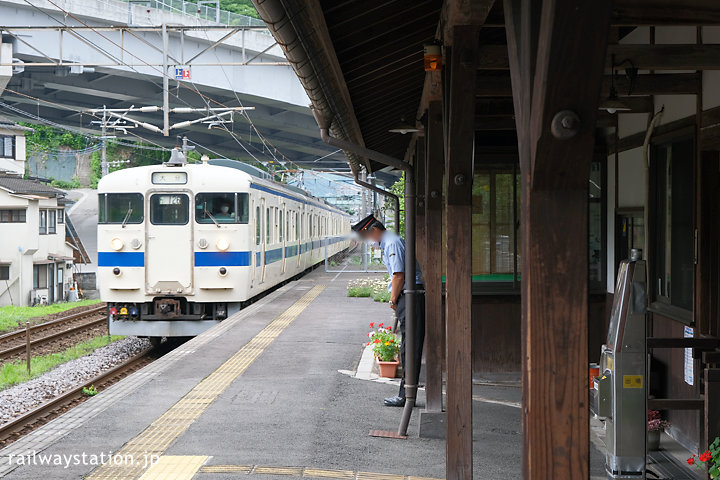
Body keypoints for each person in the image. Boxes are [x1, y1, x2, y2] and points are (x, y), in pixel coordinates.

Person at [351, 214, 425, 407]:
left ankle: (406, 395)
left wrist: (393, 300)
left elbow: (398, 275)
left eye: (367, 238)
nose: (368, 242)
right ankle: (406, 393)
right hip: (409, 295)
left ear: (374, 231)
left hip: (409, 296)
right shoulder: (391, 241)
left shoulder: (392, 243)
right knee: (409, 345)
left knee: (410, 346)